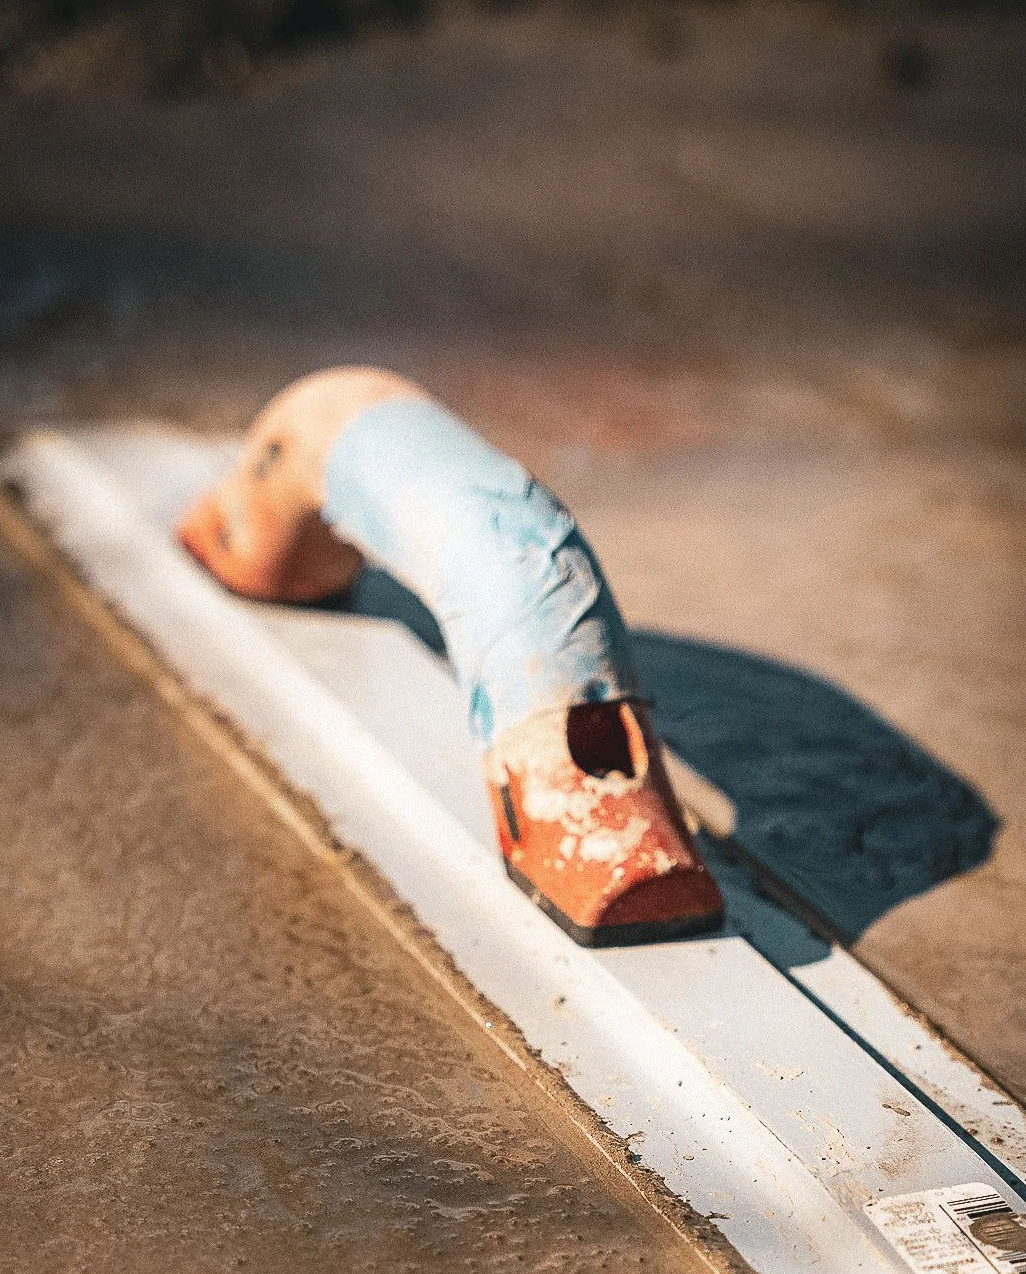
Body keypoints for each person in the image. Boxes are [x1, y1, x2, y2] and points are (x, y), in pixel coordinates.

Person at [176, 367, 724, 947]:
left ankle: (573, 791)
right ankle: (247, 539)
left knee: (517, 562)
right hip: (308, 455)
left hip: (334, 437)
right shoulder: (313, 428)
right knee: (511, 561)